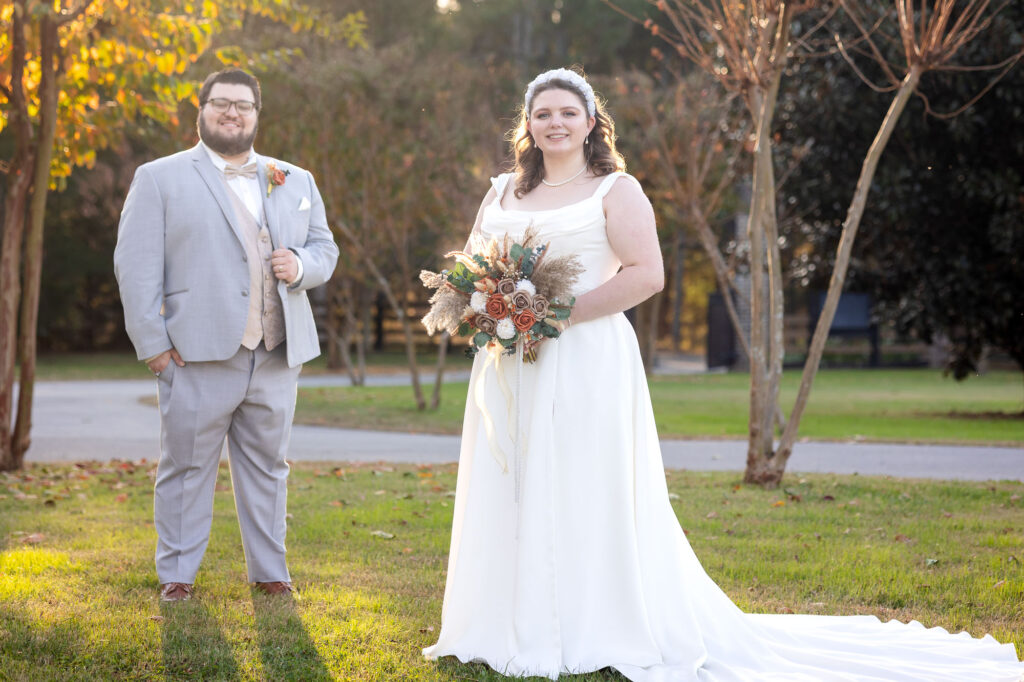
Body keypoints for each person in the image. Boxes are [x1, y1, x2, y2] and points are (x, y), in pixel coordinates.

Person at [423, 67, 1024, 680]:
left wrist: (553, 315)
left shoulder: (616, 190)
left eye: (567, 112)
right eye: (543, 113)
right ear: (527, 124)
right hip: (510, 361)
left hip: (584, 357)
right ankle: (503, 623)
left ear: (590, 122)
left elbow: (647, 275)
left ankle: (588, 623)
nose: (555, 123)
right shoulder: (502, 191)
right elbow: (472, 268)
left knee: (584, 485)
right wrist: (490, 306)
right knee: (511, 480)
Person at [114, 68, 339, 602]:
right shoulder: (159, 178)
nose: (231, 112)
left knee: (269, 468)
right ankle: (177, 576)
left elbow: (324, 250)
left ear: (257, 114)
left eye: (243, 104)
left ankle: (270, 572)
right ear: (201, 110)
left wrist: (300, 265)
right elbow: (135, 266)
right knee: (187, 467)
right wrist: (154, 347)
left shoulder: (295, 178)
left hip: (277, 352)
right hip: (195, 353)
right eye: (220, 103)